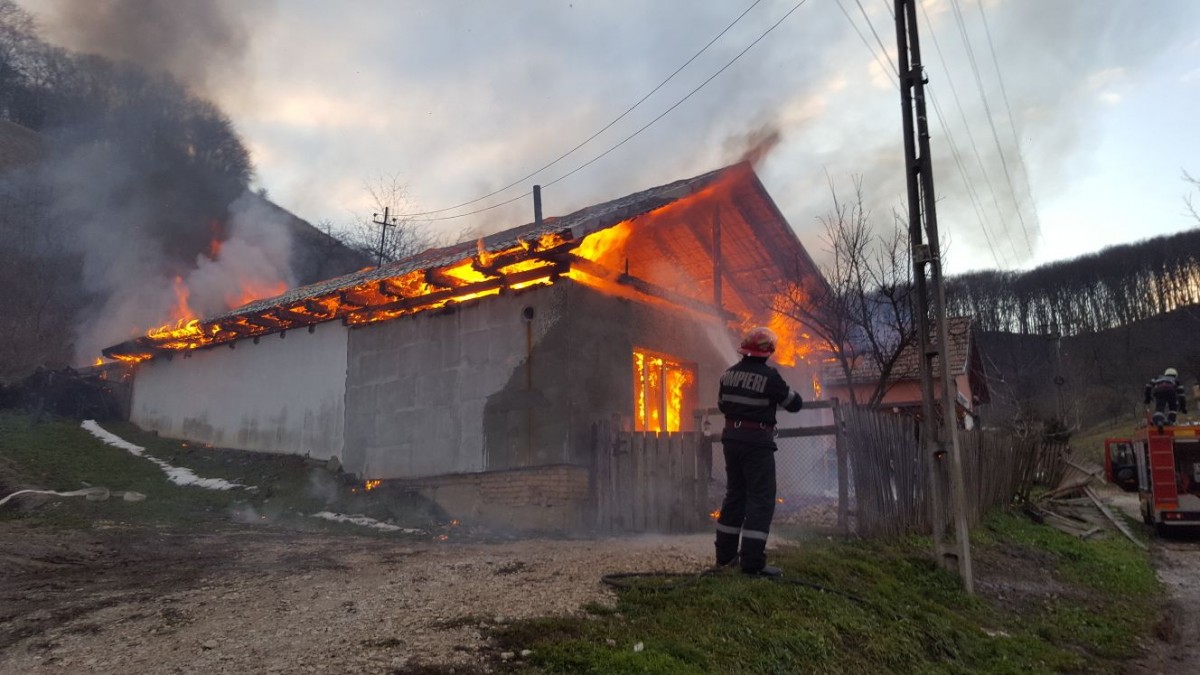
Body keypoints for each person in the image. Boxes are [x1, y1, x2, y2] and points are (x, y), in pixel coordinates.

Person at [714, 326, 804, 577]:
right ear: (768, 352)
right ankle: (752, 563)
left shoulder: (727, 375)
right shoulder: (770, 377)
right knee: (761, 500)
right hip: (756, 443)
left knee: (734, 496)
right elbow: (794, 404)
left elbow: (722, 405)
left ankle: (725, 558)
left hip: (731, 441)